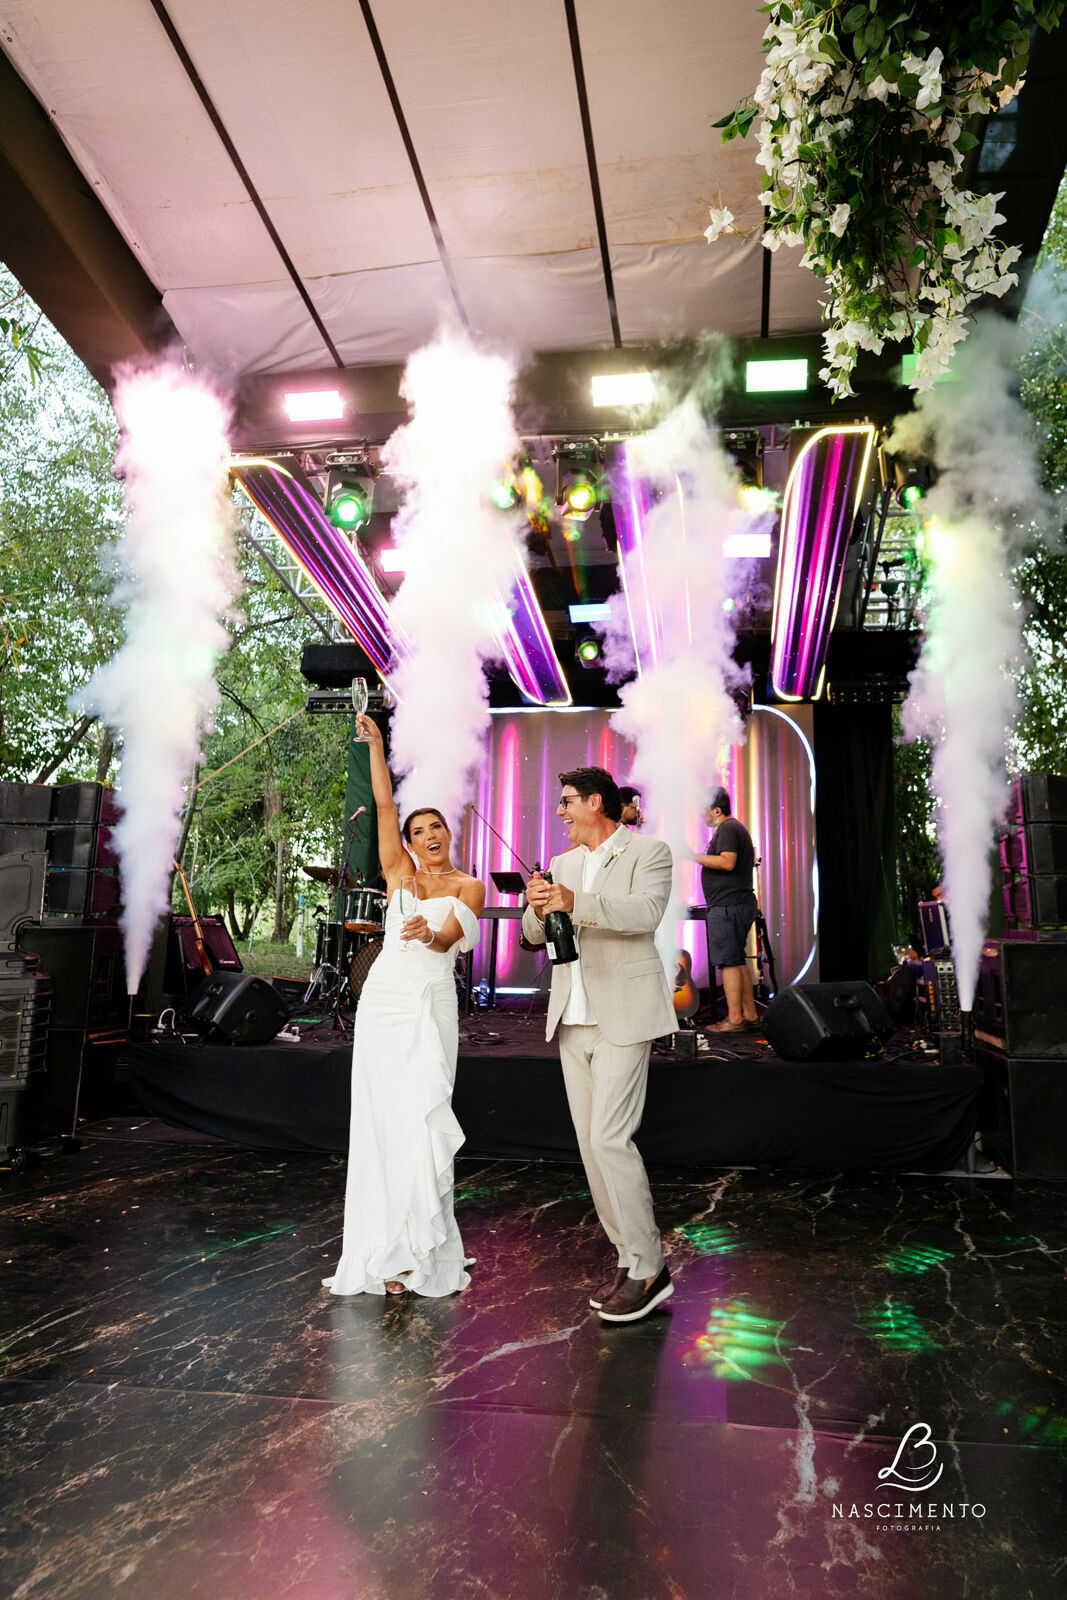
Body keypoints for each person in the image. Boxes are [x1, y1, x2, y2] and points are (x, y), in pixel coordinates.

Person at [324, 713, 485, 1297]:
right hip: (386, 999)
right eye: (421, 831)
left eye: (438, 826)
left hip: (433, 996)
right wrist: (375, 745)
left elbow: (451, 940)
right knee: (385, 1122)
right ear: (411, 844)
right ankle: (387, 1253)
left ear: (448, 833)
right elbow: (384, 806)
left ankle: (425, 1248)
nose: (430, 834)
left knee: (425, 1115)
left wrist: (429, 935)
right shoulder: (397, 874)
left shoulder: (469, 885)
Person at [523, 766, 677, 1324]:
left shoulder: (648, 851)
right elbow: (535, 935)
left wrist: (575, 900)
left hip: (625, 1016)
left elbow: (646, 914)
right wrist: (538, 905)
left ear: (596, 802)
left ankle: (652, 1266)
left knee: (612, 1139)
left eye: (567, 802)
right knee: (592, 1149)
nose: (560, 812)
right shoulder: (561, 863)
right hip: (573, 1018)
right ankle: (629, 1258)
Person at [693, 787, 758, 1033]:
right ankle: (749, 1015)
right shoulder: (731, 828)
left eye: (703, 809)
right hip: (734, 904)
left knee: (728, 962)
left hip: (729, 906)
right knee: (737, 959)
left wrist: (692, 856)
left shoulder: (729, 828)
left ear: (717, 810)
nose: (701, 814)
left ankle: (734, 1020)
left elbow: (727, 862)